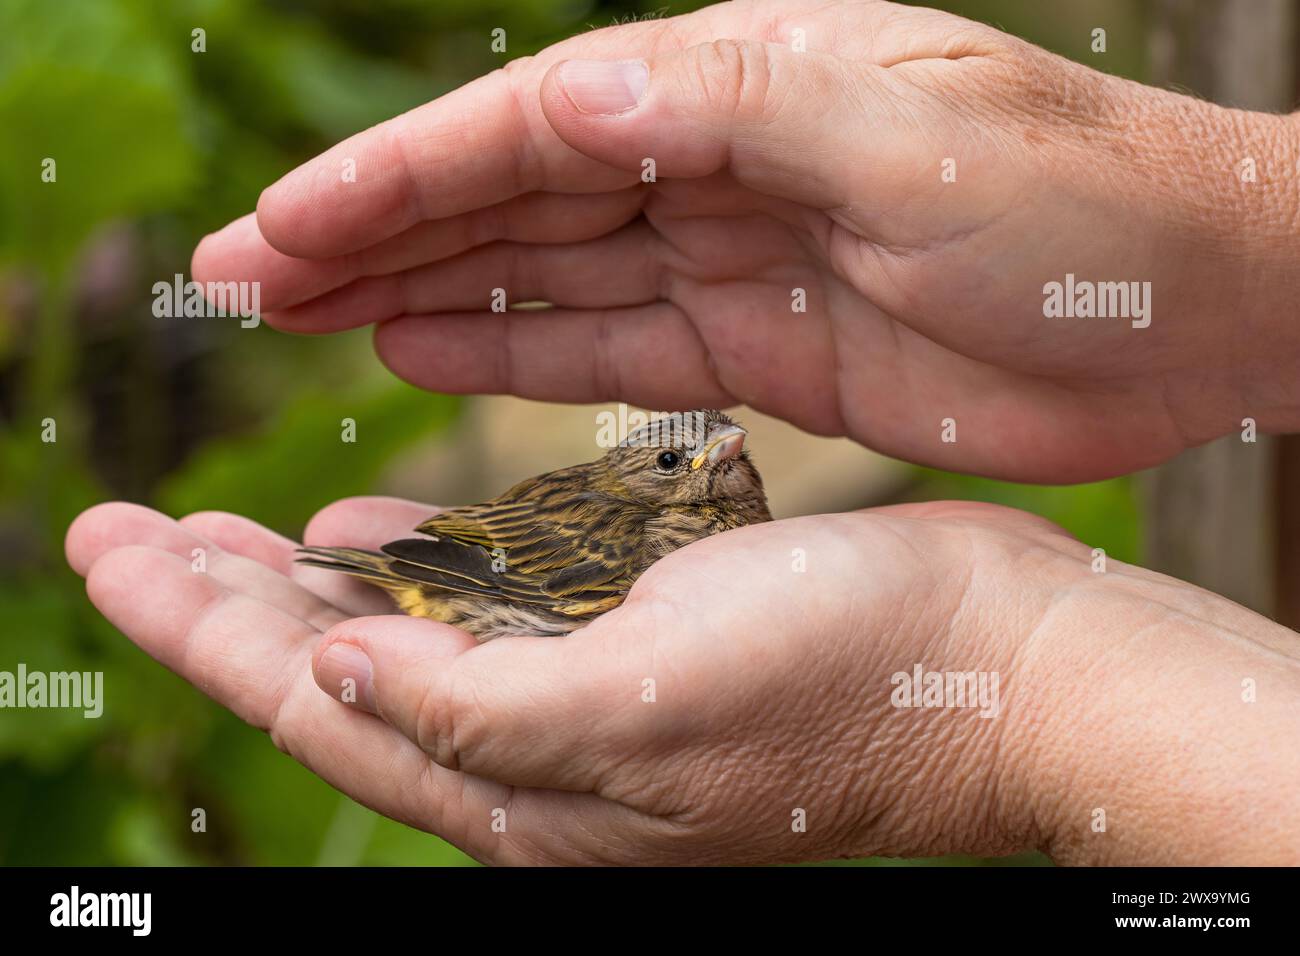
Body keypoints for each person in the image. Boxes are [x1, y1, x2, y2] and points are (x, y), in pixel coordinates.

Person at [66, 0, 1300, 865]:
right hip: (459, 578)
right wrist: (1232, 264)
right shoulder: (621, 536)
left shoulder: (694, 522)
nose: (718, 462)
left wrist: (1028, 677)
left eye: (725, 453)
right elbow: (483, 557)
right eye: (685, 457)